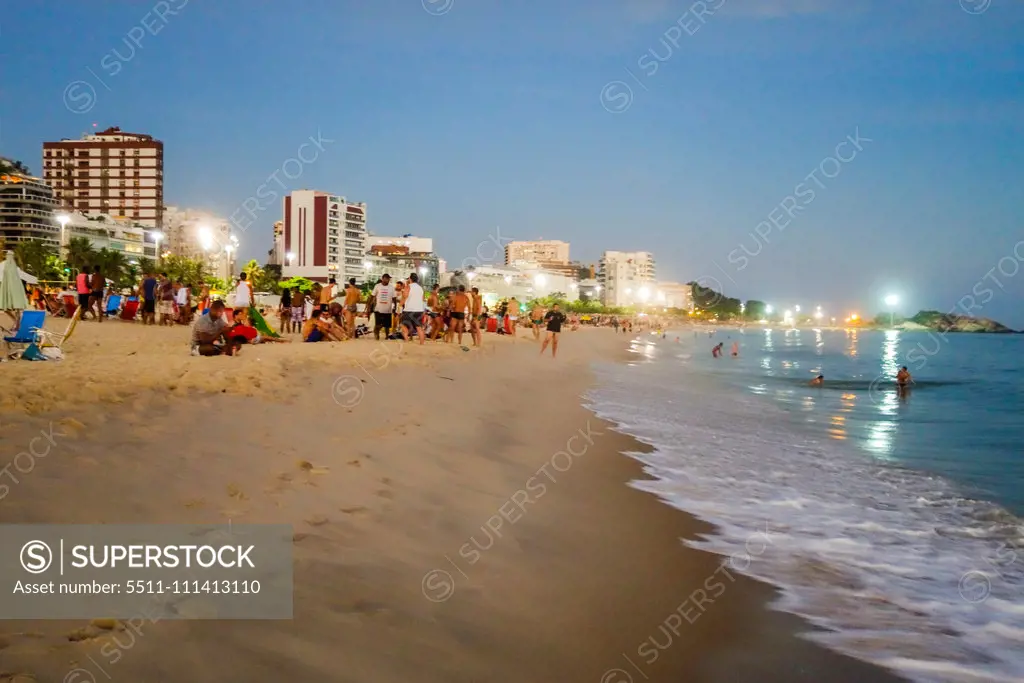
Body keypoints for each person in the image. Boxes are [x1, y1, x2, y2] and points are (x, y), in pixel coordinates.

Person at [400, 272, 426, 345]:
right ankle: (422, 343)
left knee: (402, 325)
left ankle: (406, 340)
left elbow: (405, 296)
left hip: (409, 310)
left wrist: (400, 305)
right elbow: (423, 299)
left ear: (410, 279)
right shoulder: (421, 288)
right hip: (419, 310)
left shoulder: (408, 286)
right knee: (419, 327)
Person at [370, 273, 395, 340]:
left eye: (389, 278)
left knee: (387, 325)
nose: (388, 280)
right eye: (387, 278)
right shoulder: (377, 286)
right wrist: (369, 305)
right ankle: (376, 334)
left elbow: (394, 298)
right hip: (378, 309)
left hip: (388, 309)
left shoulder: (391, 287)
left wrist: (394, 307)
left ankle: (387, 336)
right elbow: (372, 296)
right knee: (378, 324)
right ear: (383, 278)